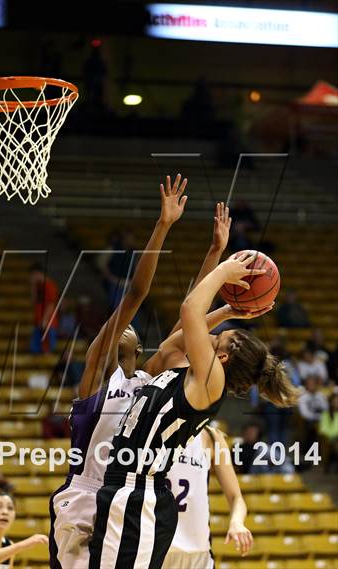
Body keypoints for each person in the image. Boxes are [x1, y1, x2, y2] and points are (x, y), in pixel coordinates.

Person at [89, 249, 298, 569]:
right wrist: (228, 310)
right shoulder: (185, 374)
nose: (210, 335)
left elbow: (190, 310)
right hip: (127, 490)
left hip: (138, 493)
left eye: (218, 339)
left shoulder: (211, 382)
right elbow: (176, 340)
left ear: (223, 359)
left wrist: (224, 272)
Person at [49, 174, 188, 569]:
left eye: (129, 329)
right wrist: (162, 226)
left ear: (141, 349)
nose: (118, 327)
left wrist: (228, 299)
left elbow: (188, 325)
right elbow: (136, 294)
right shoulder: (98, 374)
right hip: (84, 494)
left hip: (126, 500)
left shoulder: (147, 382)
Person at [163, 427, 253, 569]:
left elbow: (236, 498)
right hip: (155, 550)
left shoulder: (212, 436)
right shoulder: (154, 427)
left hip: (199, 554)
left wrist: (237, 522)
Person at [29, 263, 59, 354]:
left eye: (32, 275)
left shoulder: (49, 285)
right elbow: (34, 301)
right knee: (35, 350)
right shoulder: (39, 286)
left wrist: (45, 320)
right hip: (39, 322)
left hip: (47, 323)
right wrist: (33, 286)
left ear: (37, 273)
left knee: (47, 350)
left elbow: (51, 304)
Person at [297, 376, 328, 456]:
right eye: (309, 384)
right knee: (312, 429)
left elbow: (326, 408)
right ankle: (310, 453)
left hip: (322, 419)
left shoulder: (320, 395)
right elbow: (304, 414)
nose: (312, 386)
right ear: (306, 385)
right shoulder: (303, 397)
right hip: (309, 421)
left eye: (313, 384)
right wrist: (317, 417)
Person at [319, 392, 338, 472]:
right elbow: (323, 429)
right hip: (330, 438)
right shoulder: (326, 414)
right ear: (331, 402)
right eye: (335, 401)